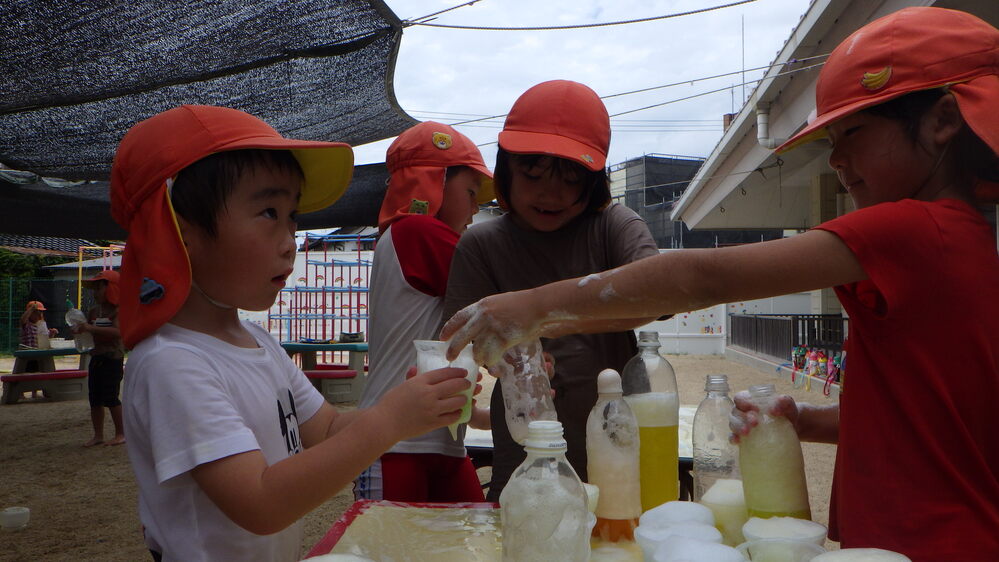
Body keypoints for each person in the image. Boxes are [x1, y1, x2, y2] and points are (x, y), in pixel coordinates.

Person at [441, 8, 999, 560]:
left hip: (934, 539)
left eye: (851, 131)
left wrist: (534, 308)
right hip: (924, 533)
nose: (836, 158)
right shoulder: (955, 242)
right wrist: (803, 420)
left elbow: (696, 277)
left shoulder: (917, 227)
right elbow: (923, 417)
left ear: (942, 121)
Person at [112, 105, 472, 561]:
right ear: (179, 234)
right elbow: (261, 503)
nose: (290, 241)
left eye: (292, 217)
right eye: (268, 212)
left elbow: (329, 428)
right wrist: (392, 420)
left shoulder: (256, 342)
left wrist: (418, 404)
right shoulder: (173, 363)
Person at [440, 79, 660, 501]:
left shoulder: (612, 226)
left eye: (570, 177)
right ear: (506, 169)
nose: (549, 192)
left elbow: (660, 286)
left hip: (619, 457)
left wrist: (541, 314)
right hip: (525, 462)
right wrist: (509, 357)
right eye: (533, 172)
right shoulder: (482, 246)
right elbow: (461, 345)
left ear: (594, 182)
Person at [354, 122, 495, 502]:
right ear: (433, 183)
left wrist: (480, 416)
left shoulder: (401, 239)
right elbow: (504, 296)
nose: (476, 206)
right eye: (470, 191)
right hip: (397, 446)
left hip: (436, 441)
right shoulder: (415, 231)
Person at [76, 270, 126, 447]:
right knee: (94, 398)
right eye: (94, 289)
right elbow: (88, 332)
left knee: (111, 396)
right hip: (96, 357)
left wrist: (91, 329)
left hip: (112, 358)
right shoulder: (93, 311)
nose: (95, 292)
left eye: (99, 288)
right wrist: (79, 330)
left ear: (111, 289)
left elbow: (119, 332)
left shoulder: (119, 311)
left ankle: (121, 433)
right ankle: (98, 435)